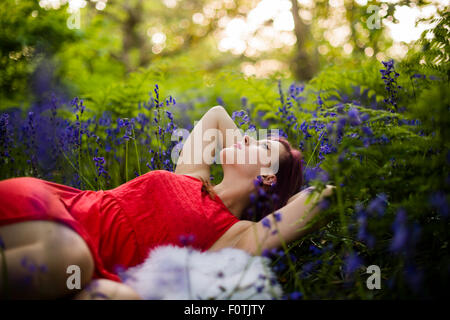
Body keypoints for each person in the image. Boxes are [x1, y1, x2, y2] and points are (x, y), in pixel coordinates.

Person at [0, 105, 334, 300]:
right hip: (57, 209)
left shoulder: (239, 236)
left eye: (259, 146)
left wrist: (288, 172)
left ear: (269, 176)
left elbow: (326, 197)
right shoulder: (191, 174)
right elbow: (216, 116)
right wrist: (253, 151)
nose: (245, 135)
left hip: (93, 274)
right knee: (70, 256)